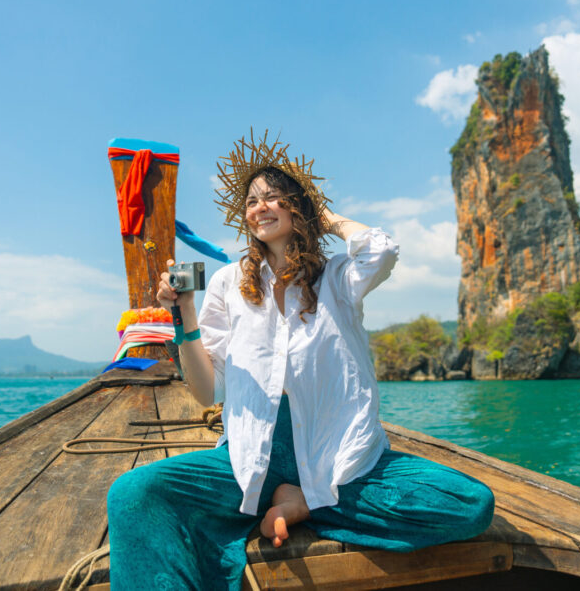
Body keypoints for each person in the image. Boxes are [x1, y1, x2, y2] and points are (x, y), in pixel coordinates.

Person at [106, 133, 494, 590]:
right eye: (251, 201)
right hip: (249, 460)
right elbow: (206, 390)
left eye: (274, 197)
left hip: (337, 458)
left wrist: (323, 215)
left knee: (470, 503)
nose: (259, 207)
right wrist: (184, 314)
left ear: (297, 207)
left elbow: (381, 250)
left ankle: (306, 502)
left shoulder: (336, 278)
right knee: (133, 493)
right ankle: (287, 497)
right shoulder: (229, 284)